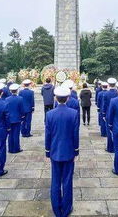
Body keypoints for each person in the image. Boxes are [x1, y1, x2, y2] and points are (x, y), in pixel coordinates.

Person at [45, 86, 79, 217]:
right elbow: (75, 134)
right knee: (67, 180)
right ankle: (66, 208)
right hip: (69, 151)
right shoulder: (73, 113)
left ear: (55, 98)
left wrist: (47, 152)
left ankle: (56, 208)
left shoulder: (50, 114)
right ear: (68, 98)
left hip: (54, 152)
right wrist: (76, 151)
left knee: (55, 180)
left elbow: (48, 135)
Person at [5, 83, 24, 153]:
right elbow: (22, 110)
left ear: (10, 91)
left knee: (10, 135)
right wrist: (22, 117)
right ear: (17, 90)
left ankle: (10, 148)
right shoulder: (20, 98)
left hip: (9, 119)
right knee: (16, 134)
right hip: (17, 119)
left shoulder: (7, 99)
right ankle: (16, 148)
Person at [102, 78, 118, 153]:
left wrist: (104, 114)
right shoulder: (117, 93)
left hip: (109, 114)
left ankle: (110, 147)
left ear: (108, 84)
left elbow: (104, 106)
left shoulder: (106, 94)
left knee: (109, 132)